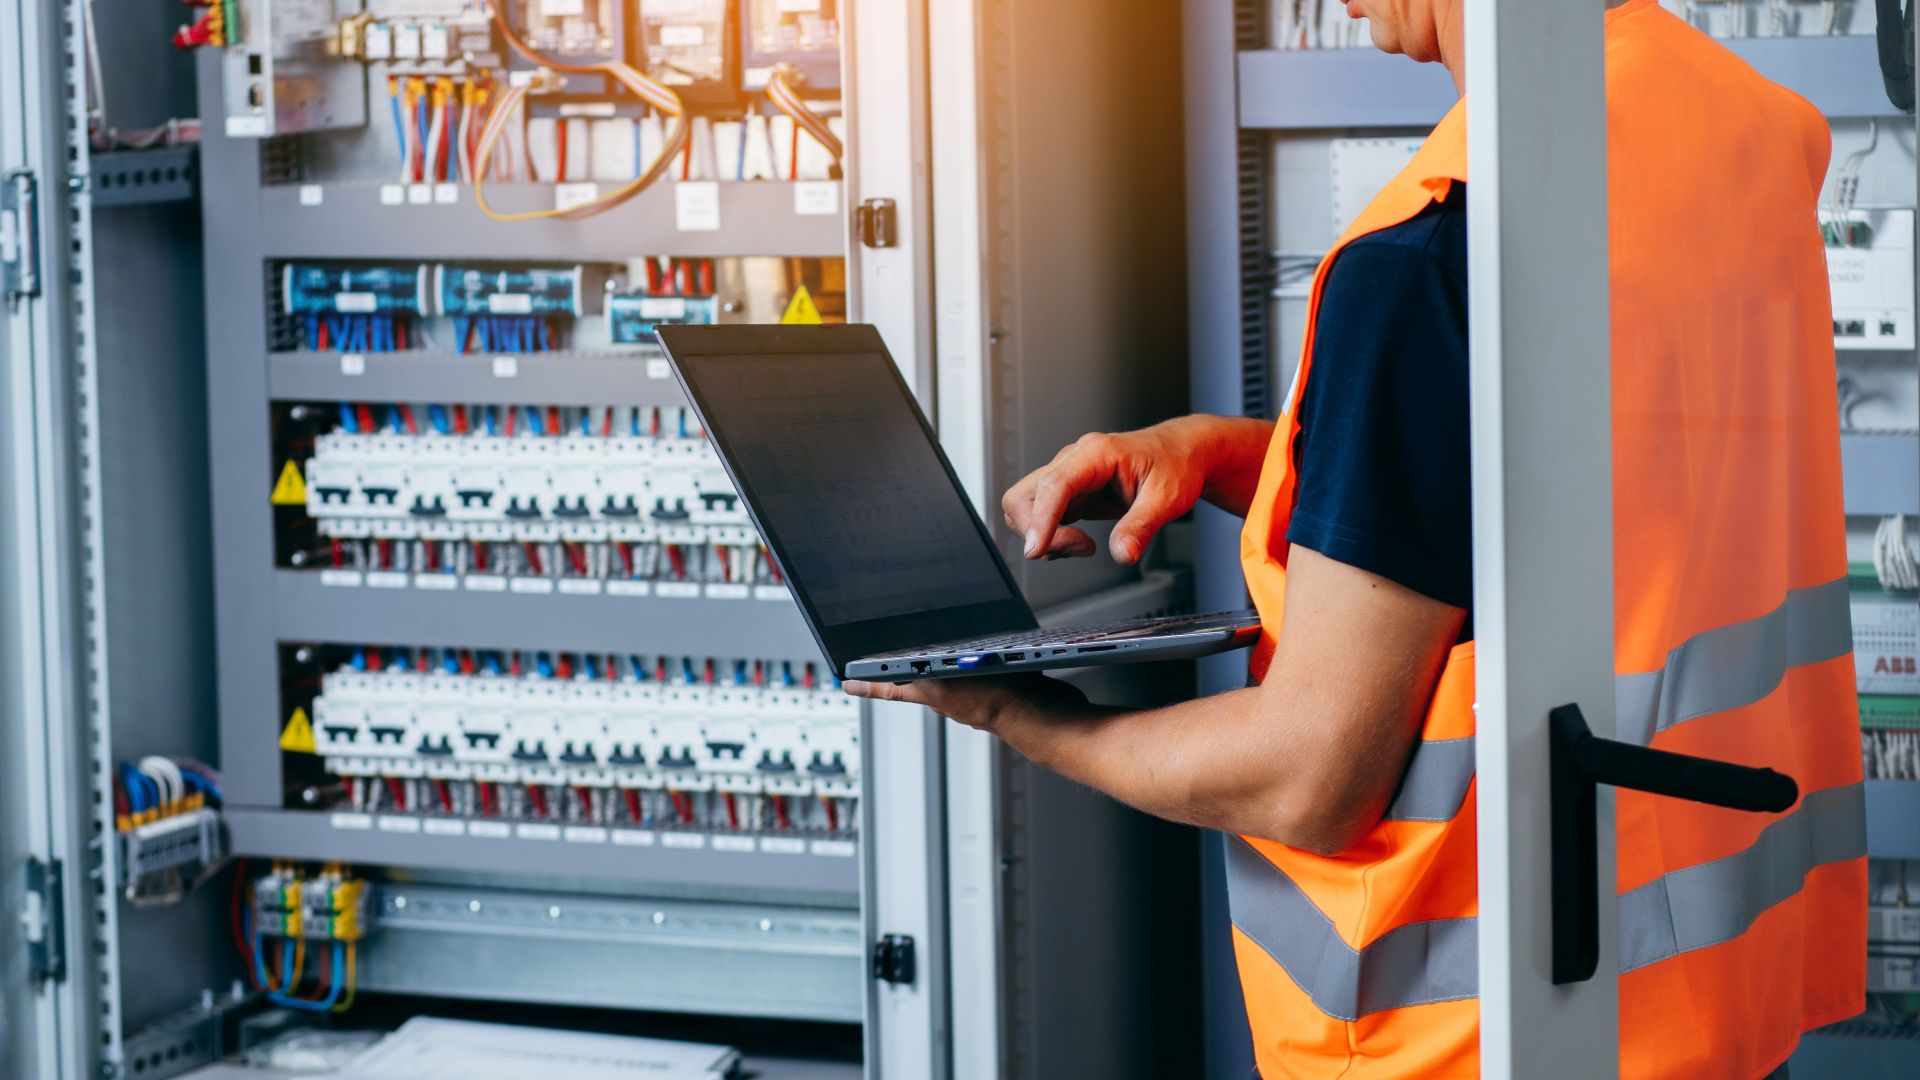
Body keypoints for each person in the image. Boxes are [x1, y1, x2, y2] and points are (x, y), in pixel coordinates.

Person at [845, 0, 1866, 1076]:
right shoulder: (1745, 125)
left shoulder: (1435, 242)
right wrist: (1237, 453)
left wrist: (1022, 714)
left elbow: (1310, 780)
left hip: (1488, 1031)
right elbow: (1573, 477)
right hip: (1704, 993)